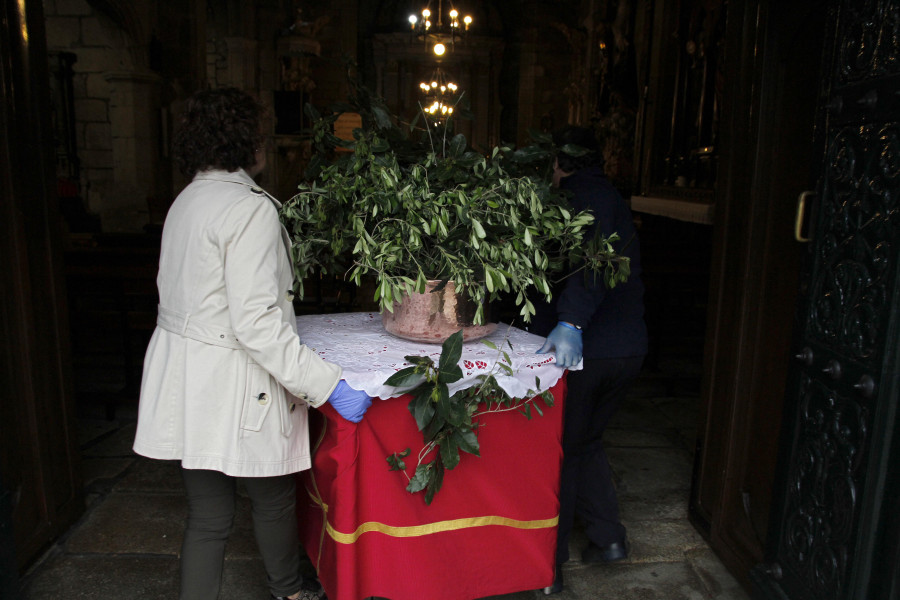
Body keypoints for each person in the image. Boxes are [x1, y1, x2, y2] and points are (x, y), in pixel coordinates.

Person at [132, 87, 372, 600]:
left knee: (209, 515)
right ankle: (287, 590)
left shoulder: (187, 200)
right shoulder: (249, 209)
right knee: (273, 497)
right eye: (260, 136)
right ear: (245, 143)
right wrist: (327, 386)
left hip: (188, 376)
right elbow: (257, 325)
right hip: (236, 381)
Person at [533, 125, 648, 595]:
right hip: (626, 350)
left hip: (590, 352)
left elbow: (593, 263)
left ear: (560, 165)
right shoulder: (610, 195)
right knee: (587, 443)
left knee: (563, 454)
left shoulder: (585, 199)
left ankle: (549, 567)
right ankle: (608, 540)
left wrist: (572, 322)